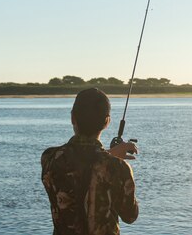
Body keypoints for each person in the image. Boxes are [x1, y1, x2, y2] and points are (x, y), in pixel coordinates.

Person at [41, 88, 139, 235]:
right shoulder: (118, 167)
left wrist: (109, 155)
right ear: (107, 122)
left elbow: (81, 162)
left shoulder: (49, 158)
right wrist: (112, 158)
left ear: (73, 118)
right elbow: (130, 216)